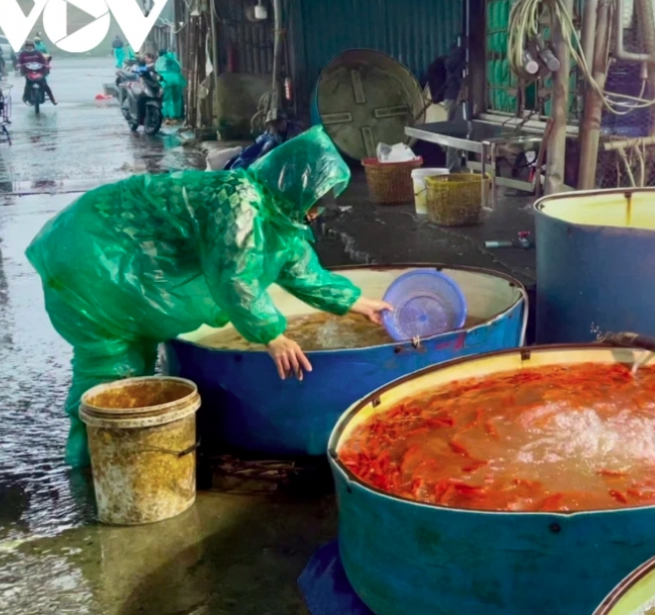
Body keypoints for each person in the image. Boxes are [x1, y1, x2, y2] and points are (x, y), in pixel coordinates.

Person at [26, 126, 393, 468]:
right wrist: (272, 336)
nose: (318, 209)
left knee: (133, 363)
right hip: (92, 254)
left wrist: (360, 304)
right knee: (109, 364)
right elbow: (234, 277)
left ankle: (118, 454)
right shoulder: (238, 200)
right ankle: (91, 462)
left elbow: (301, 271)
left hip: (126, 269)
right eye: (316, 196)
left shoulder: (281, 217)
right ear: (296, 182)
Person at [225, 111, 302, 170]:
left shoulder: (294, 131)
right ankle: (232, 167)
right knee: (245, 153)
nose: (275, 126)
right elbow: (260, 141)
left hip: (282, 157)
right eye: (272, 124)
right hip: (270, 149)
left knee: (265, 150)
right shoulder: (271, 133)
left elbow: (294, 147)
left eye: (277, 122)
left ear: (284, 121)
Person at [16, 39, 57, 105]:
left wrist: (46, 65)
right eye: (28, 46)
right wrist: (19, 64)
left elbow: (43, 60)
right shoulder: (23, 54)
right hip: (28, 71)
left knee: (45, 85)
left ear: (33, 46)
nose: (29, 47)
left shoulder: (37, 52)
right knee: (28, 85)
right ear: (25, 46)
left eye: (30, 46)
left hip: (39, 71)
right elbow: (19, 61)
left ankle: (53, 100)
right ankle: (25, 97)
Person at [155, 48, 186, 120]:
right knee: (177, 98)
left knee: (166, 98)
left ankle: (167, 115)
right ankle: (176, 115)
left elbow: (156, 70)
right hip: (177, 79)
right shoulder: (173, 58)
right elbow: (180, 67)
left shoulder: (159, 60)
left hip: (165, 80)